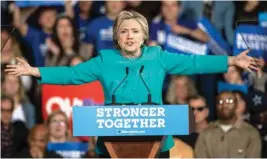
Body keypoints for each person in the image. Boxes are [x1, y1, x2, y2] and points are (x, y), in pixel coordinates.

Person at [5, 10, 260, 158]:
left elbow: (194, 63)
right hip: (112, 143)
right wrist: (34, 70)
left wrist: (231, 60)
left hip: (156, 142)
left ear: (144, 35)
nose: (129, 36)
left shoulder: (157, 56)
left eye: (135, 31)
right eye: (124, 31)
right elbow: (73, 75)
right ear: (117, 35)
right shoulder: (105, 59)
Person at [194, 91, 261, 158]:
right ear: (216, 106)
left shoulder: (251, 134)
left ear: (236, 105)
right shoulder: (206, 133)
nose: (225, 105)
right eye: (220, 102)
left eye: (230, 101)